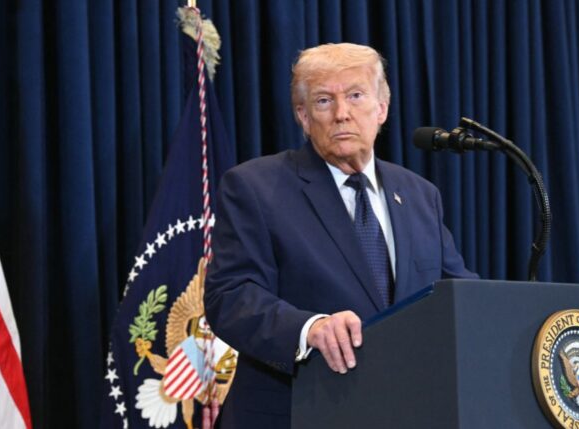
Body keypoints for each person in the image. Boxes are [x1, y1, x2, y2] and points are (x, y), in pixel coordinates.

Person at [203, 43, 477, 428]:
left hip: (403, 411)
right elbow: (230, 296)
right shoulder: (255, 187)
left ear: (381, 108)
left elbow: (456, 294)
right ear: (302, 116)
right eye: (323, 101)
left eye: (355, 95)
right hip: (297, 411)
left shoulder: (419, 195)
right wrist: (308, 328)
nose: (341, 114)